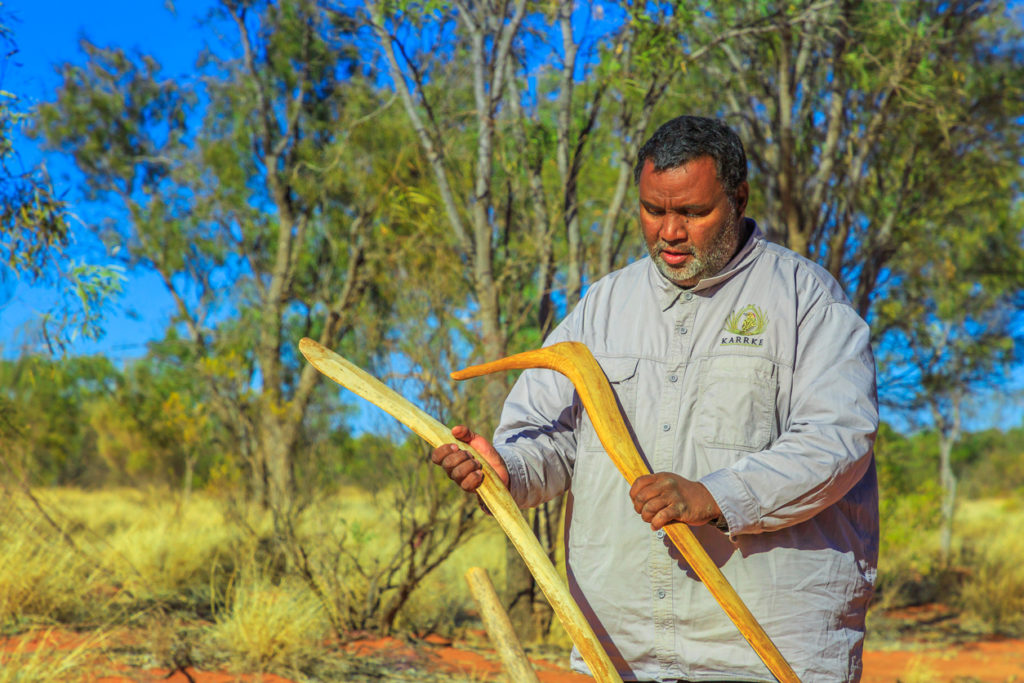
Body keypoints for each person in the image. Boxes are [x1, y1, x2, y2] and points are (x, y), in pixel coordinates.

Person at [432, 115, 879, 682]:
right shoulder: (604, 305)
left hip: (764, 651)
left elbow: (836, 442)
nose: (669, 232)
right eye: (653, 210)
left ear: (738, 197)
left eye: (692, 213)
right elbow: (553, 440)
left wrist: (714, 496)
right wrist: (507, 469)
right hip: (622, 650)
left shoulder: (806, 299)